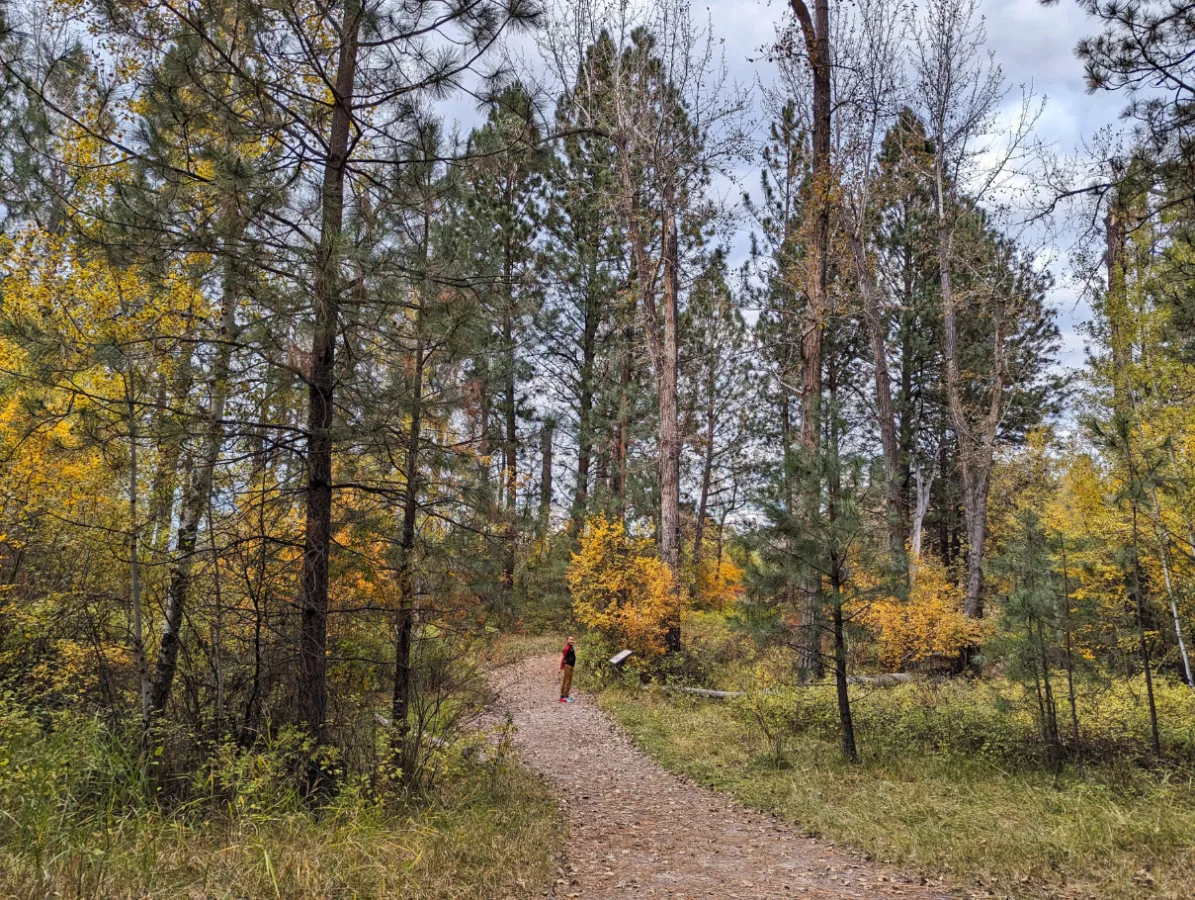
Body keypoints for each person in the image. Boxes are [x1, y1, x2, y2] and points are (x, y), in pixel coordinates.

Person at [559, 636, 576, 703]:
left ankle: (563, 696)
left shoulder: (571, 647)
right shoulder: (567, 648)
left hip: (570, 666)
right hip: (568, 666)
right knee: (567, 681)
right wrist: (560, 668)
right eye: (570, 640)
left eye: (572, 640)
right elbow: (563, 658)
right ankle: (565, 696)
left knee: (566, 680)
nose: (572, 641)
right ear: (567, 640)